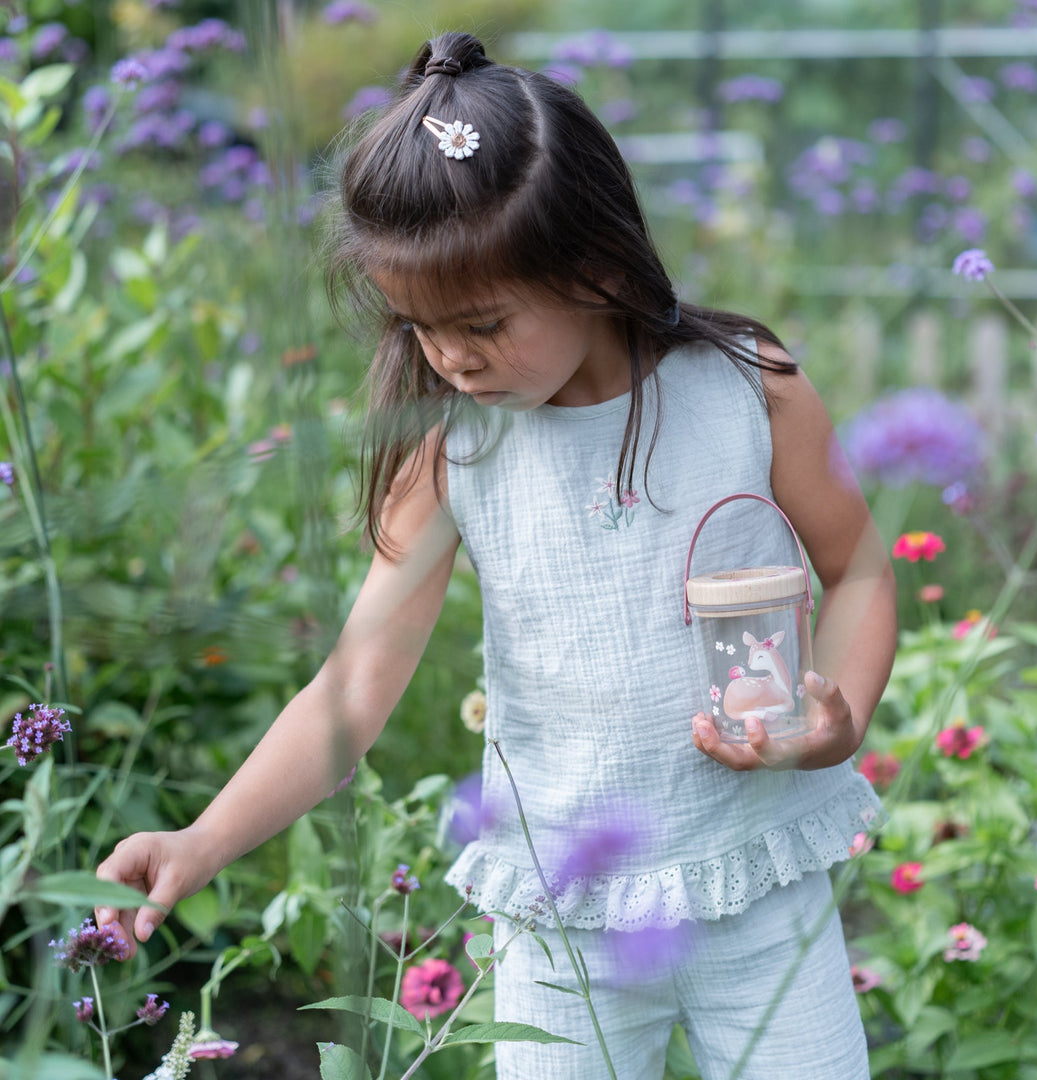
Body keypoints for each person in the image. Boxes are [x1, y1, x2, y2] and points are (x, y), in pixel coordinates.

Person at [96, 31, 897, 1079]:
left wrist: (833, 722)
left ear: (595, 266)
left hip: (757, 891)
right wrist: (202, 842)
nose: (449, 357)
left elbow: (862, 571)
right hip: (562, 925)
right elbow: (354, 690)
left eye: (479, 322)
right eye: (418, 327)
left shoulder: (749, 389)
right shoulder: (453, 448)